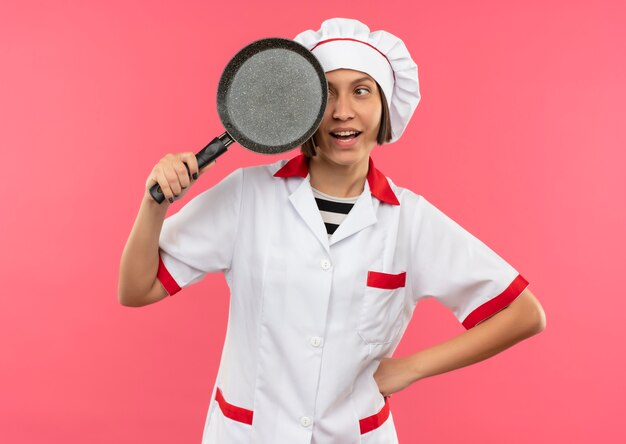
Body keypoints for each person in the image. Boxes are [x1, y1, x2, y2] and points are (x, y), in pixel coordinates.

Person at [118, 18, 546, 444]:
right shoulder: (248, 195)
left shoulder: (410, 221)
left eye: (362, 91)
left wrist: (410, 369)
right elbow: (136, 290)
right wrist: (155, 203)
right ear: (301, 109)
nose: (343, 111)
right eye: (326, 94)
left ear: (384, 107)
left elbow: (525, 314)